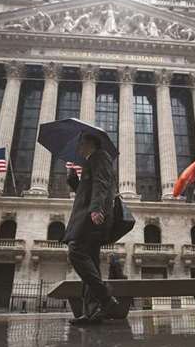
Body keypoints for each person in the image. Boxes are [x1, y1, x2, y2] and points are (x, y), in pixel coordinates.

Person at [63, 133, 118, 325]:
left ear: (91, 143)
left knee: (75, 251)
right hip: (87, 215)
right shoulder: (90, 161)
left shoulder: (101, 157)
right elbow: (84, 190)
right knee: (91, 263)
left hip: (91, 217)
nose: (79, 146)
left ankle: (105, 298)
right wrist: (72, 177)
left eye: (81, 142)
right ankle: (93, 312)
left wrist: (96, 209)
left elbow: (101, 184)